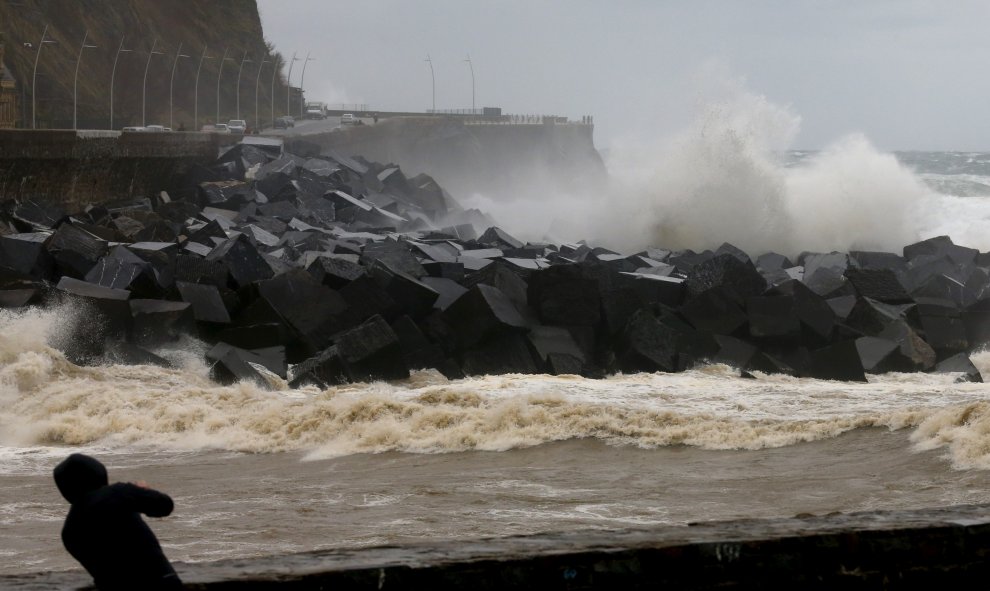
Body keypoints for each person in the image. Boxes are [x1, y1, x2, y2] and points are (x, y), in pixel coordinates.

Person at [53, 453, 183, 590]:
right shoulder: (118, 493)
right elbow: (165, 506)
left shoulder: (69, 531)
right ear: (98, 472)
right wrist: (143, 491)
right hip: (159, 582)